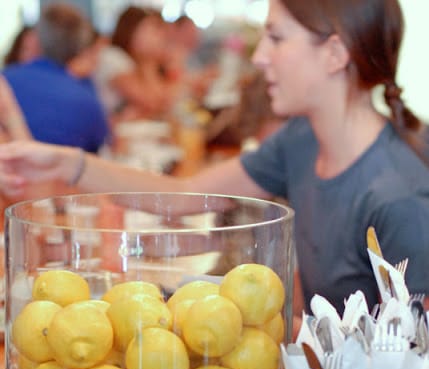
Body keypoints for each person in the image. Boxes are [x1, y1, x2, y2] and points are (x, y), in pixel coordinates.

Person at [0, 0, 429, 326]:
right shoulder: (302, 140)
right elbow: (187, 196)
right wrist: (67, 163)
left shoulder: (398, 195)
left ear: (336, 54)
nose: (260, 56)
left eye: (277, 39)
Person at [2, 3, 110, 152]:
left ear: (36, 39)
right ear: (80, 47)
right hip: (72, 172)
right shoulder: (86, 98)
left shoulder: (5, 81)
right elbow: (107, 145)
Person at [92, 6, 176, 121]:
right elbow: (153, 101)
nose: (159, 39)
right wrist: (151, 61)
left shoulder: (132, 61)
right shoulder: (113, 57)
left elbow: (163, 102)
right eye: (153, 31)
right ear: (131, 30)